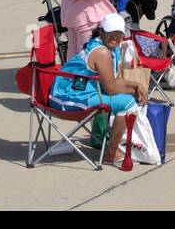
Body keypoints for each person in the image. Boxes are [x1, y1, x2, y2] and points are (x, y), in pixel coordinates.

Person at [48, 13, 148, 164]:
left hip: (81, 93)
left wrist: (135, 85)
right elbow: (111, 90)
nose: (115, 37)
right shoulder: (101, 52)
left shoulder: (111, 49)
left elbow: (112, 82)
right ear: (101, 31)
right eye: (111, 33)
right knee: (128, 103)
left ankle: (111, 145)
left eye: (119, 34)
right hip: (67, 97)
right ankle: (111, 154)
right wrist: (133, 89)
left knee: (128, 100)